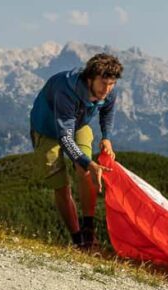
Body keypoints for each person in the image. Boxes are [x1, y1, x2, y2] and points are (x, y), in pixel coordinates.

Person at [29, 53, 123, 248]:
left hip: (79, 126)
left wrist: (106, 137)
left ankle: (88, 230)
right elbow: (65, 137)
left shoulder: (108, 90)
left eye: (111, 84)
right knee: (61, 184)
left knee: (86, 171)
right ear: (90, 79)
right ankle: (77, 239)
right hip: (46, 130)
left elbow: (107, 111)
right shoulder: (65, 90)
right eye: (103, 84)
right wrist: (88, 162)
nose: (107, 89)